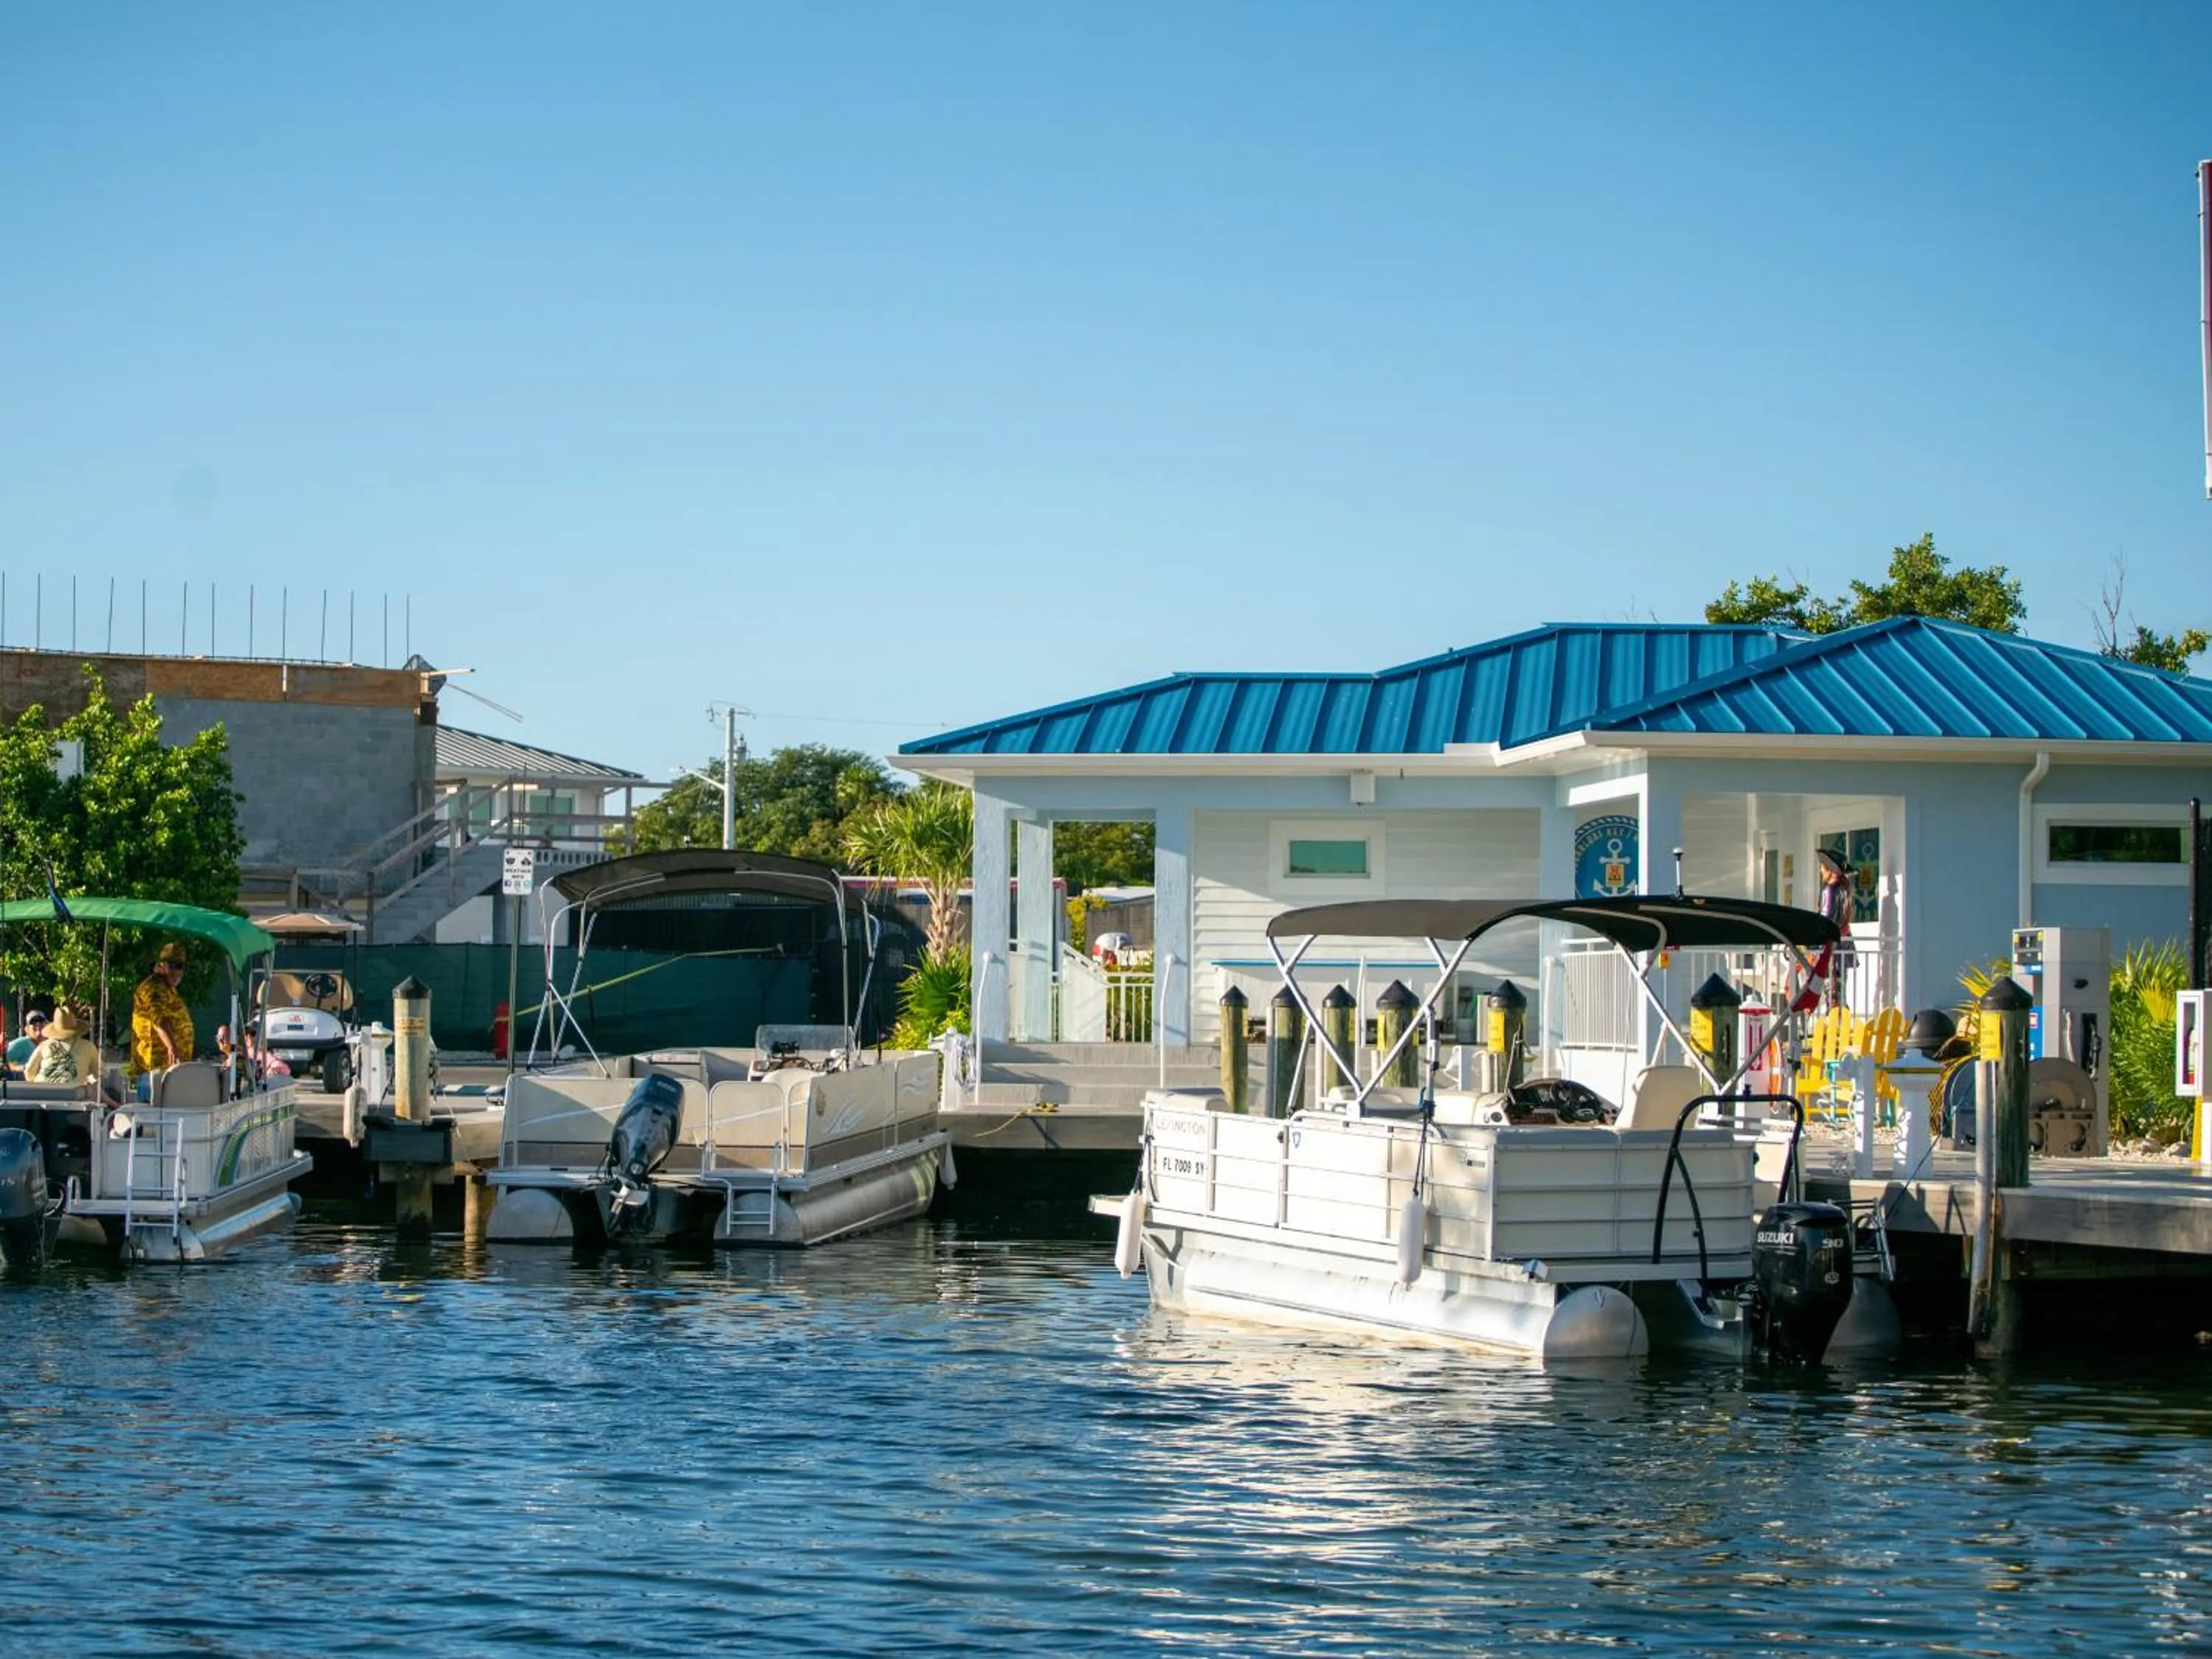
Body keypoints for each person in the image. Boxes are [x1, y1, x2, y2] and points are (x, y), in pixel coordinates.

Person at [130, 942, 196, 1096]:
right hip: (155, 1070)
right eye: (173, 965)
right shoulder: (154, 988)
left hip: (169, 1070)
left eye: (181, 966)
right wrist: (172, 1046)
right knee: (155, 1110)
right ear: (161, 965)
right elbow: (158, 1019)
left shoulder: (168, 989)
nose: (178, 971)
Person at [24, 1004, 100, 1084]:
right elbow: (98, 1073)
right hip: (73, 1090)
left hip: (42, 1088)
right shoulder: (88, 1046)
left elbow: (29, 1072)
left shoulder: (44, 1045)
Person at [6, 1008, 50, 1074]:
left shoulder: (51, 1044)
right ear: (27, 1029)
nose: (38, 1024)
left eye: (41, 1021)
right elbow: (4, 1065)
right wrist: (24, 1068)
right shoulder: (19, 1044)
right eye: (33, 1022)